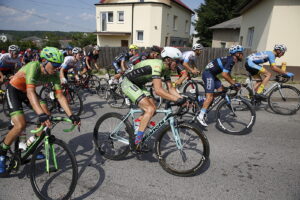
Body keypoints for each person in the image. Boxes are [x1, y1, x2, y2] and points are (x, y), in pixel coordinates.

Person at [0, 47, 81, 174]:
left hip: (26, 91)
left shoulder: (54, 75)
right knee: (21, 125)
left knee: (47, 120)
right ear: (44, 61)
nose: (57, 68)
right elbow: (31, 92)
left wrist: (72, 115)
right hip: (14, 90)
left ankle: (31, 146)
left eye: (58, 65)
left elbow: (60, 96)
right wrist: (40, 114)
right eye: (54, 65)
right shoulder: (34, 67)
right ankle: (2, 153)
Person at [121, 47, 186, 149]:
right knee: (150, 109)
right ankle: (137, 142)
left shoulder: (167, 69)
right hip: (127, 83)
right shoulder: (157, 65)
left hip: (139, 84)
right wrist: (177, 100)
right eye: (176, 61)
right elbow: (158, 90)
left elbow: (171, 88)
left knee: (154, 109)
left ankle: (138, 125)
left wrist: (182, 98)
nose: (178, 65)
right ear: (168, 60)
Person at [197, 45, 244, 127]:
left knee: (222, 91)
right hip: (208, 74)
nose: (242, 55)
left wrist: (233, 82)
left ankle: (203, 99)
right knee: (210, 96)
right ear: (236, 54)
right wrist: (233, 83)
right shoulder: (231, 60)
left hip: (212, 75)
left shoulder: (231, 60)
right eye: (241, 53)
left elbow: (227, 73)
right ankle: (200, 116)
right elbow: (224, 75)